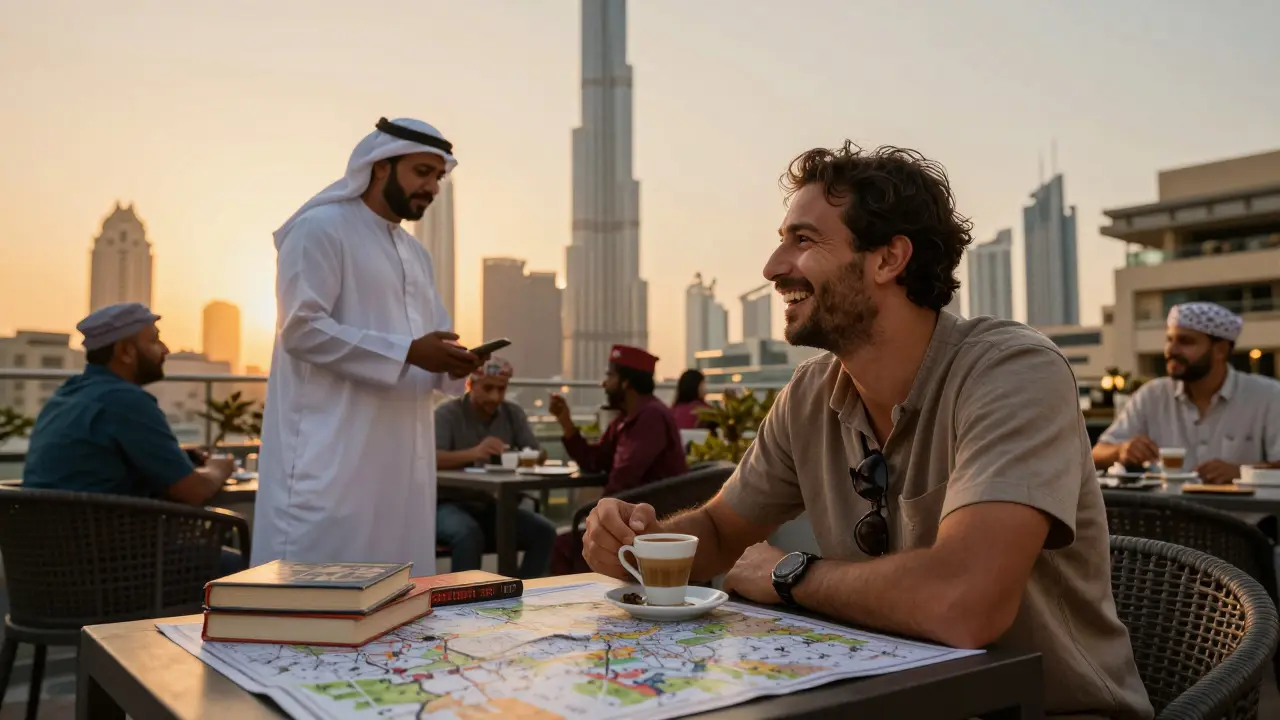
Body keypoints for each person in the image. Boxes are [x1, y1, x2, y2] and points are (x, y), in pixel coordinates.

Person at [580, 143, 1152, 718]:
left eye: (803, 241)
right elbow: (721, 531)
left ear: (888, 259)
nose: (773, 266)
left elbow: (965, 603)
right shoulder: (810, 393)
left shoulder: (1011, 371)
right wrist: (639, 541)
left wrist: (789, 572)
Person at [253, 118, 487, 576]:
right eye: (422, 172)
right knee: (313, 606)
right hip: (332, 456)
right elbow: (301, 329)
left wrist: (455, 363)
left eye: (438, 177)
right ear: (381, 167)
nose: (432, 187)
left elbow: (430, 344)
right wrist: (408, 352)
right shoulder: (320, 228)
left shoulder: (417, 255)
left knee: (398, 602)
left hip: (402, 465)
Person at [24, 303, 242, 572]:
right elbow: (193, 490)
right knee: (249, 568)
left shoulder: (67, 395)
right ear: (125, 351)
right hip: (115, 566)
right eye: (154, 340)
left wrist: (180, 459)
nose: (165, 350)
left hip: (48, 565)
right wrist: (219, 467)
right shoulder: (126, 401)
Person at [1093, 301, 1280, 484]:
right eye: (1169, 339)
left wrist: (1241, 473)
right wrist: (1122, 450)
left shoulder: (1267, 396)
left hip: (1244, 514)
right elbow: (1096, 454)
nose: (1171, 350)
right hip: (1167, 514)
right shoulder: (1151, 395)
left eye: (1185, 341)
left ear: (1220, 350)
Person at [547, 345, 689, 575]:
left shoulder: (651, 417)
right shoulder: (625, 418)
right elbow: (594, 461)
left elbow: (625, 479)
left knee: (563, 546)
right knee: (565, 541)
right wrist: (565, 421)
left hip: (651, 522)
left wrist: (600, 513)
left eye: (610, 376)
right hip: (627, 516)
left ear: (626, 382)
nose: (604, 384)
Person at [434, 357, 557, 578]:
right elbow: (430, 458)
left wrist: (520, 457)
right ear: (470, 385)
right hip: (447, 504)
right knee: (468, 534)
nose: (495, 397)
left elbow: (536, 453)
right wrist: (475, 453)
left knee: (544, 531)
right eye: (488, 388)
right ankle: (461, 606)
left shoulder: (512, 414)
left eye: (501, 389)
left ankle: (523, 595)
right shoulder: (447, 414)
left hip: (493, 504)